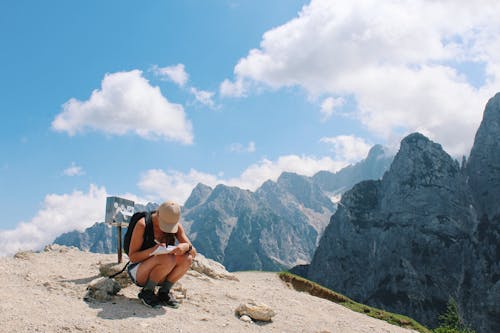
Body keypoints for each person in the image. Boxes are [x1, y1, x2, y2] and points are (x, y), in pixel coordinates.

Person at [127, 201, 197, 308]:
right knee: (168, 258)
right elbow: (133, 257)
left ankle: (164, 292)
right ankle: (147, 291)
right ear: (158, 214)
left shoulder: (176, 227)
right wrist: (153, 251)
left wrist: (187, 247)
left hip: (162, 270)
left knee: (187, 258)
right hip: (139, 271)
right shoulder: (143, 225)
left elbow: (194, 253)